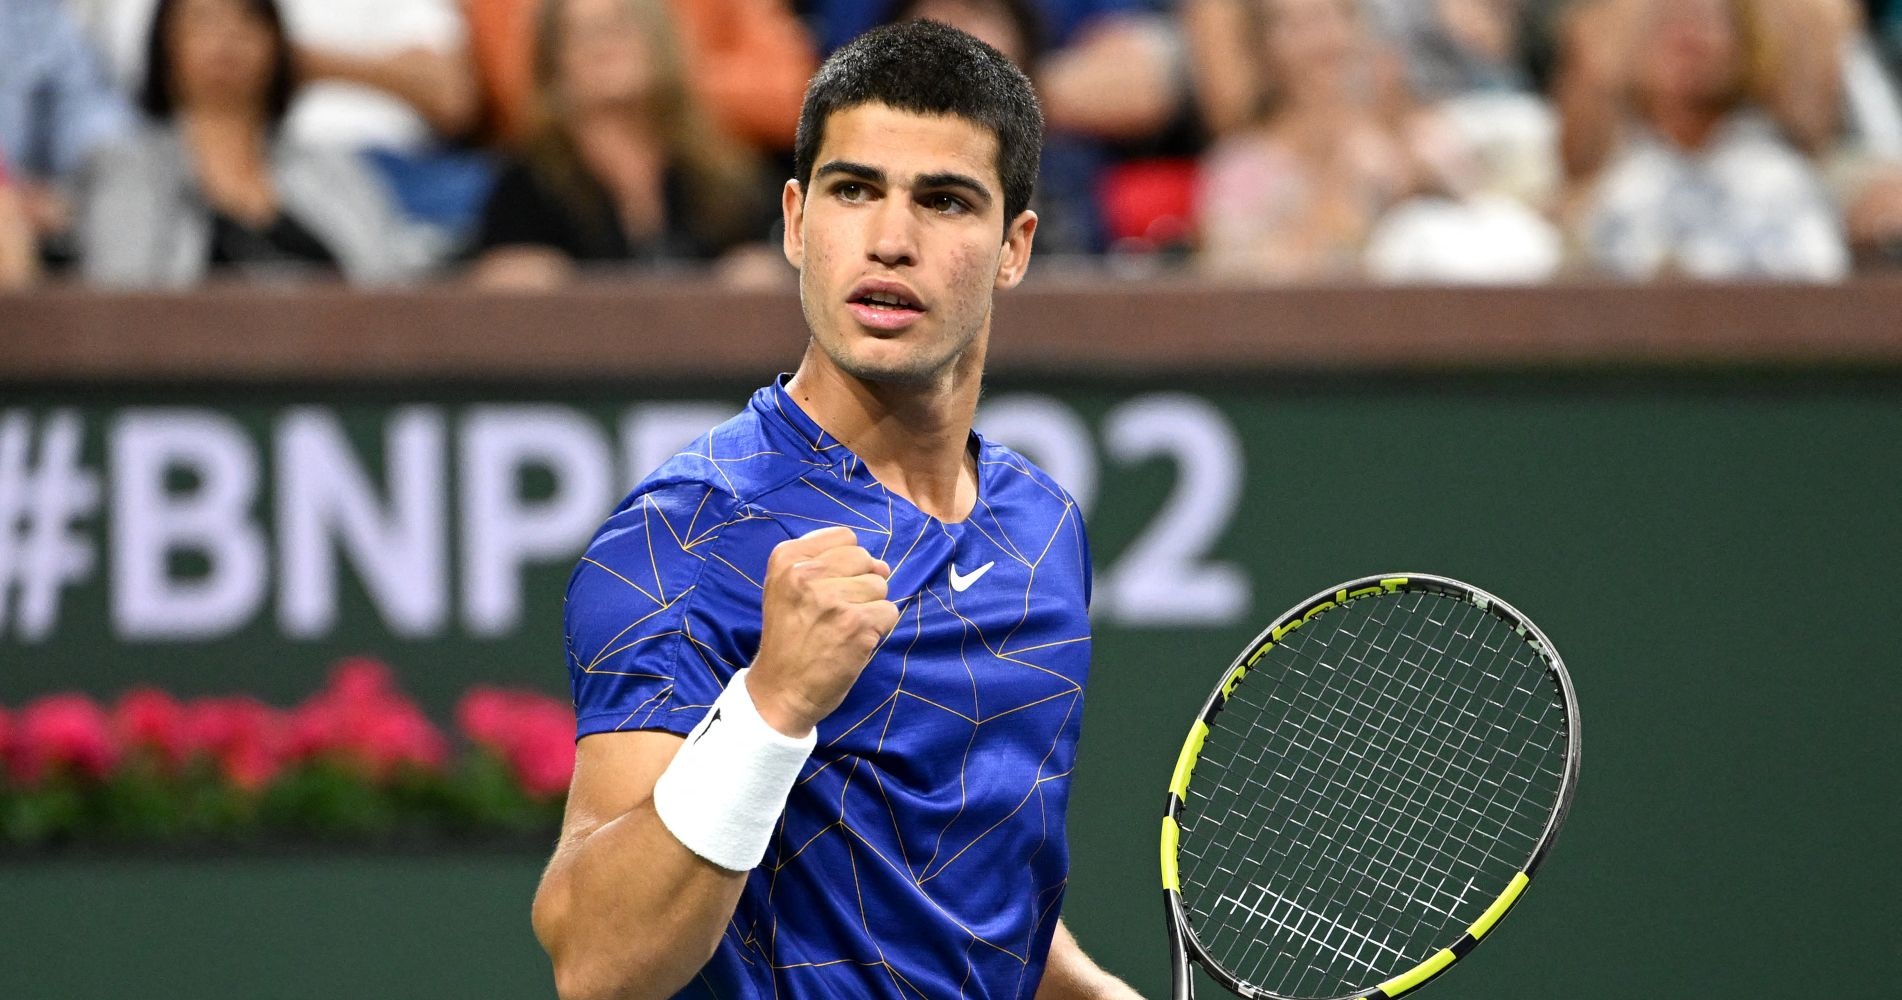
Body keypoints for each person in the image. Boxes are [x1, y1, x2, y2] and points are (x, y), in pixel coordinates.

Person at [533, 20, 1141, 1000]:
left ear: (1015, 247)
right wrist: (772, 706)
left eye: (945, 202)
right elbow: (594, 961)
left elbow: (943, 882)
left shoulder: (1042, 527)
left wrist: (1096, 992)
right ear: (794, 220)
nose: (891, 241)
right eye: (854, 190)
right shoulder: (687, 533)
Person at [76, 0, 428, 287]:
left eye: (248, 19)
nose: (228, 37)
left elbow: (390, 287)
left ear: (277, 43)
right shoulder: (128, 170)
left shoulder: (336, 170)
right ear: (164, 46)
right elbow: (123, 300)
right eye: (204, 21)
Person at [466, 0, 775, 288]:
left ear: (659, 42)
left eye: (619, 26)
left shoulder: (722, 175)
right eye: (582, 34)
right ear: (553, 64)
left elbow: (769, 264)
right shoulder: (524, 185)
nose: (604, 46)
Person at [1556, 0, 1851, 279]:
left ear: (1745, 47)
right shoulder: (1615, 187)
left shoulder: (1779, 182)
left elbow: (1815, 299)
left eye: (1706, 22)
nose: (1688, 36)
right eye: (1671, 24)